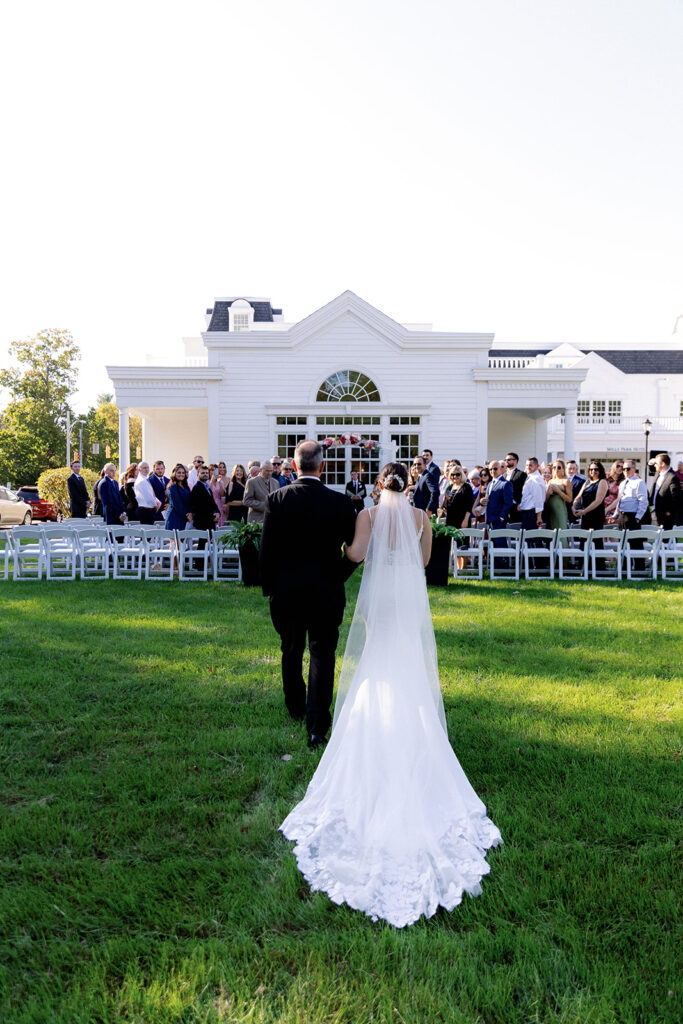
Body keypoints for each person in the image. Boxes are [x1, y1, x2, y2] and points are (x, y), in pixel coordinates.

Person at [280, 460, 502, 928]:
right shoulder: (422, 517)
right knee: (408, 666)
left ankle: (375, 724)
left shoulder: (369, 515)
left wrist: (345, 551)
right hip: (407, 598)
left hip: (380, 599)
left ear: (381, 484)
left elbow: (357, 555)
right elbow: (424, 563)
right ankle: (411, 726)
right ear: (409, 483)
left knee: (375, 666)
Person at [260, 440, 357, 745]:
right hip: (326, 591)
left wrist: (270, 589)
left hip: (287, 591)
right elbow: (355, 551)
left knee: (290, 649)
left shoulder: (277, 499)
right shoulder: (341, 503)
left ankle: (295, 706)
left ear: (294, 464)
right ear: (323, 466)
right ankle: (316, 725)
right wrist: (337, 576)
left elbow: (267, 550)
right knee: (322, 654)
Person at [649, 453, 682, 529]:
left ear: (662, 464)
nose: (655, 465)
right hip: (655, 512)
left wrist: (668, 511)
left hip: (665, 516)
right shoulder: (658, 473)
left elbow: (676, 497)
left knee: (665, 538)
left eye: (656, 463)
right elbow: (651, 468)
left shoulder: (672, 477)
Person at [483, 460, 513, 540]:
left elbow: (509, 503)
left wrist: (502, 517)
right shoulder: (490, 484)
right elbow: (488, 500)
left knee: (500, 547)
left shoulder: (506, 483)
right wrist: (482, 502)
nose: (492, 471)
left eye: (495, 469)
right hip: (489, 520)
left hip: (499, 521)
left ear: (500, 469)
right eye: (490, 469)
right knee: (491, 546)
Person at [189, 465, 221, 532]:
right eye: (203, 473)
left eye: (206, 473)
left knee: (209, 542)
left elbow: (212, 503)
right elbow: (199, 507)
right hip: (202, 523)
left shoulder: (207, 487)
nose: (205, 475)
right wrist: (213, 516)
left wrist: (218, 512)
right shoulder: (196, 488)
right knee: (203, 542)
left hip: (210, 522)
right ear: (198, 474)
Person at [544, 459, 573, 531]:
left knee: (561, 533)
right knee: (551, 535)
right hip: (550, 511)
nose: (556, 469)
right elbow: (546, 499)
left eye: (559, 467)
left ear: (563, 469)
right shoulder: (550, 481)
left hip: (560, 510)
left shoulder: (566, 481)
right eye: (554, 467)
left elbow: (569, 499)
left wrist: (558, 491)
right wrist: (548, 493)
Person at [165, 464, 193, 532]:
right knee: (175, 541)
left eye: (183, 473)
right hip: (175, 517)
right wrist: (186, 515)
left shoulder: (185, 486)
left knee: (183, 541)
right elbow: (177, 504)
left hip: (184, 517)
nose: (181, 474)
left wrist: (190, 513)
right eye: (179, 472)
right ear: (174, 473)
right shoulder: (172, 487)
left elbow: (190, 501)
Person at [504, 452, 527, 523]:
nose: (506, 461)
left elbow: (525, 491)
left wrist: (521, 503)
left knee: (514, 528)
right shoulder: (504, 475)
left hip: (515, 506)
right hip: (504, 506)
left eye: (509, 459)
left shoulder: (521, 474)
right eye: (506, 460)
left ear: (516, 461)